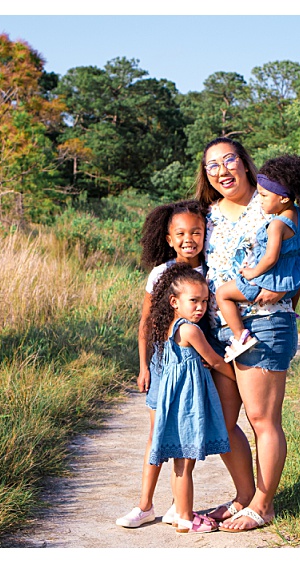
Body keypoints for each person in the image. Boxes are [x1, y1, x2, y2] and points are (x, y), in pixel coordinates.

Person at [194, 136, 300, 532]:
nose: (221, 171)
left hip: (265, 323)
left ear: (245, 163)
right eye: (212, 165)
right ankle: (244, 496)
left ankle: (263, 505)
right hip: (218, 327)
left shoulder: (272, 202)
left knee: (261, 418)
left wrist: (284, 287)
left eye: (228, 160)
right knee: (222, 420)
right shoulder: (207, 215)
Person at [117, 200, 211, 528]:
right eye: (181, 233)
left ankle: (177, 505)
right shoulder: (160, 273)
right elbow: (145, 322)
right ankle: (144, 505)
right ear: (169, 238)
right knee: (157, 433)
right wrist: (143, 365)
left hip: (196, 367)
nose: (189, 239)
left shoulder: (211, 270)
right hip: (161, 363)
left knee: (185, 435)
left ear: (205, 233)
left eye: (196, 232)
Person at [145, 263, 232, 534]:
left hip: (177, 404)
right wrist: (236, 378)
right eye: (193, 301)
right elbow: (215, 360)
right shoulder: (191, 330)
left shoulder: (171, 326)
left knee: (180, 462)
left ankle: (181, 511)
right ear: (174, 302)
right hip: (187, 406)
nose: (200, 307)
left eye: (205, 301)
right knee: (185, 463)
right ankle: (185, 517)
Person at [214, 155, 300, 361]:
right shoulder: (298, 215)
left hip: (266, 279)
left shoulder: (276, 225)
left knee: (223, 294)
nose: (260, 200)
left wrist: (252, 272)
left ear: (283, 198)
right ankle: (292, 312)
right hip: (289, 280)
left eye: (264, 196)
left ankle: (240, 337)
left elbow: (270, 258)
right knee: (294, 290)